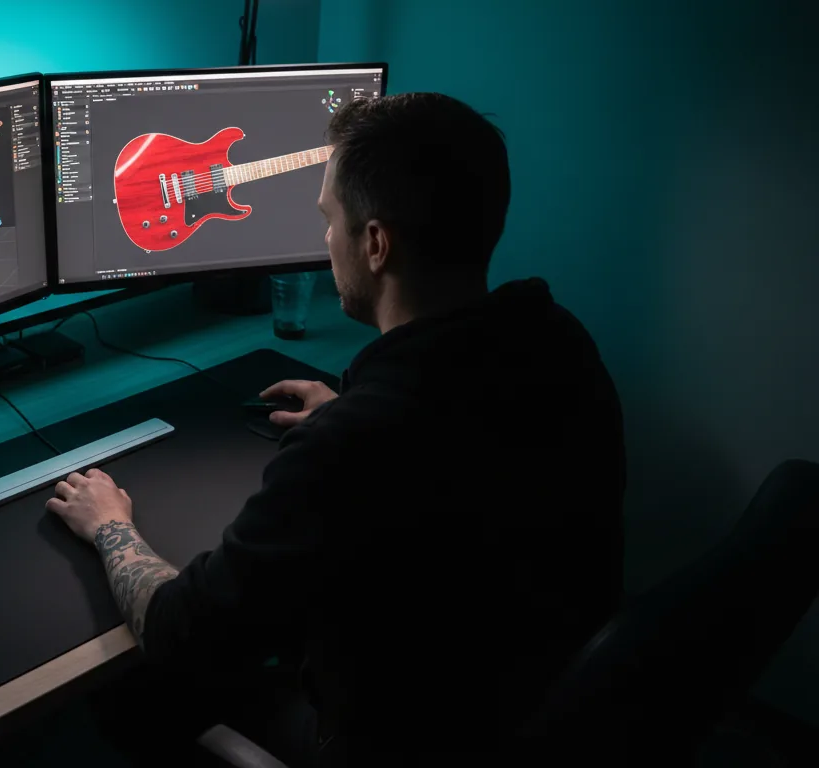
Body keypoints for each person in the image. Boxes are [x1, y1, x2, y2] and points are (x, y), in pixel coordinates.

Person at [46, 93, 625, 765]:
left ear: (375, 243)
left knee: (131, 694)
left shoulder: (357, 444)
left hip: (396, 739)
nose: (324, 240)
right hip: (527, 698)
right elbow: (448, 450)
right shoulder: (555, 340)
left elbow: (180, 631)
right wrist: (347, 410)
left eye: (329, 220)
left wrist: (109, 524)